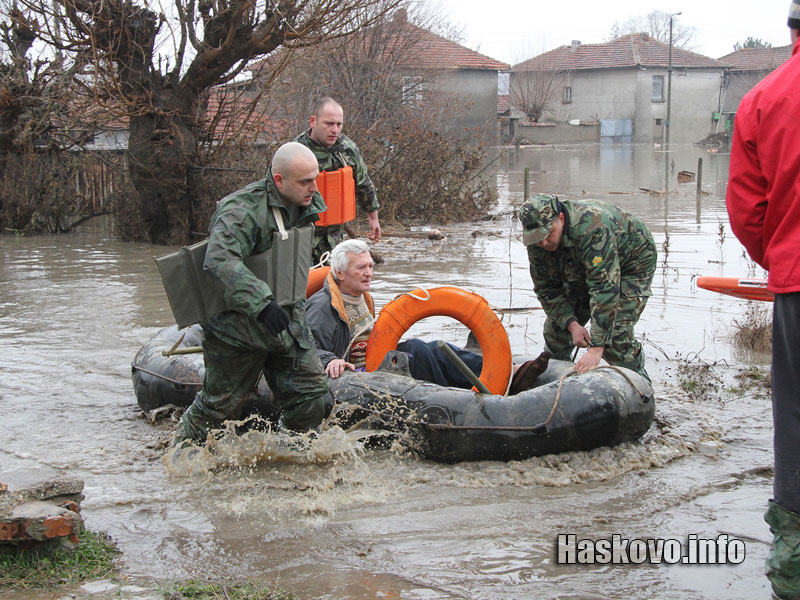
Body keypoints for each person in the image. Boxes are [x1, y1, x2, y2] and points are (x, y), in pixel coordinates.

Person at [173, 142, 332, 448]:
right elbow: (220, 260)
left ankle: (289, 451)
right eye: (305, 181)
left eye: (315, 177)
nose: (314, 187)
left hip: (288, 321)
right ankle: (182, 458)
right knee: (218, 408)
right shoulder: (241, 210)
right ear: (279, 180)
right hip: (239, 328)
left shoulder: (306, 202)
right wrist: (262, 303)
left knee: (313, 397)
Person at [726, 3, 800, 597]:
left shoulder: (764, 99)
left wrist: (779, 257)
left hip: (798, 279)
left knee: (796, 417)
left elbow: (748, 210)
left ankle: (795, 566)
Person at [306, 239, 548, 393]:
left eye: (370, 266)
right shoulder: (323, 306)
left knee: (431, 349)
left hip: (372, 362)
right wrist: (330, 361)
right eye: (361, 268)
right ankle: (463, 395)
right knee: (419, 351)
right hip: (353, 379)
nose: (369, 273)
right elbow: (306, 348)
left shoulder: (361, 296)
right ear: (339, 272)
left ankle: (505, 373)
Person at [519, 193, 656, 382]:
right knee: (557, 330)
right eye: (537, 238)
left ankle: (640, 384)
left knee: (615, 335)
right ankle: (557, 384)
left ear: (561, 219)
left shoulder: (593, 228)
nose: (543, 243)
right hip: (582, 261)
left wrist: (597, 347)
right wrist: (572, 324)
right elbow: (546, 289)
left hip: (632, 263)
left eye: (547, 234)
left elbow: (604, 289)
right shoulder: (537, 241)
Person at [294, 97, 381, 262]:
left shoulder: (347, 149)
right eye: (329, 124)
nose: (335, 130)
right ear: (313, 121)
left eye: (339, 124)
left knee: (336, 281)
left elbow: (364, 184)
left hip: (335, 237)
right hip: (304, 235)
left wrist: (373, 218)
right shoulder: (296, 150)